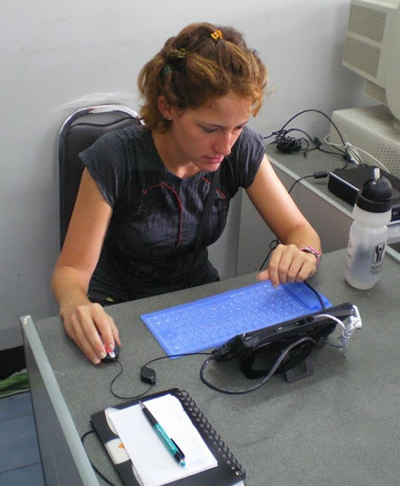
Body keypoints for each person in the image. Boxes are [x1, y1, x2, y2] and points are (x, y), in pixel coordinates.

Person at [51, 22, 322, 365]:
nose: (225, 146)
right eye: (210, 129)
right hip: (120, 307)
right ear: (168, 108)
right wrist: (76, 304)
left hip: (196, 297)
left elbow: (301, 232)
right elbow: (70, 271)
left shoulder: (241, 150)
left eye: (238, 127)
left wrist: (305, 252)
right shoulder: (115, 158)